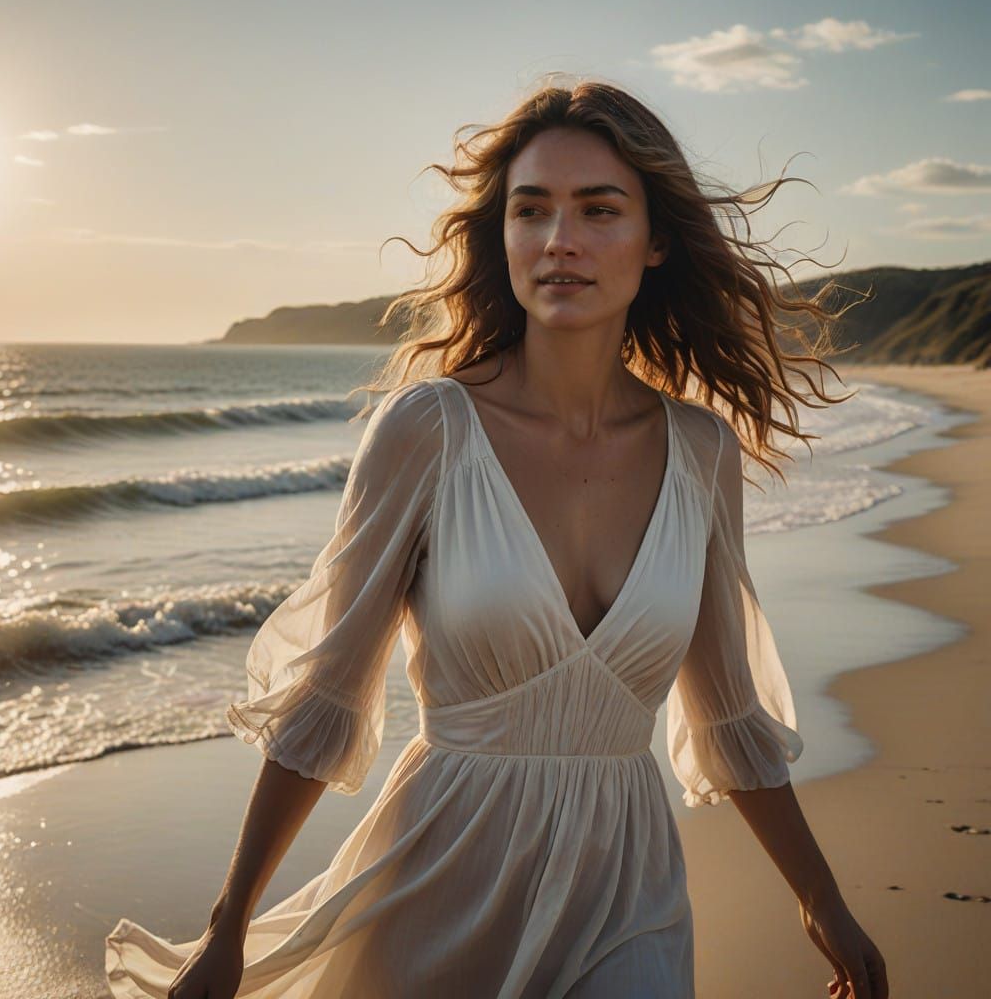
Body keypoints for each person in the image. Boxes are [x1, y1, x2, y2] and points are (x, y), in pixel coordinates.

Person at [106, 76, 889, 999]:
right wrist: (228, 927)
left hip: (627, 891)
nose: (560, 240)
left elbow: (726, 714)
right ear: (504, 236)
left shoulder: (701, 452)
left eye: (599, 210)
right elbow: (327, 697)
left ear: (657, 240)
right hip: (440, 886)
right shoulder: (427, 431)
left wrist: (821, 901)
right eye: (532, 210)